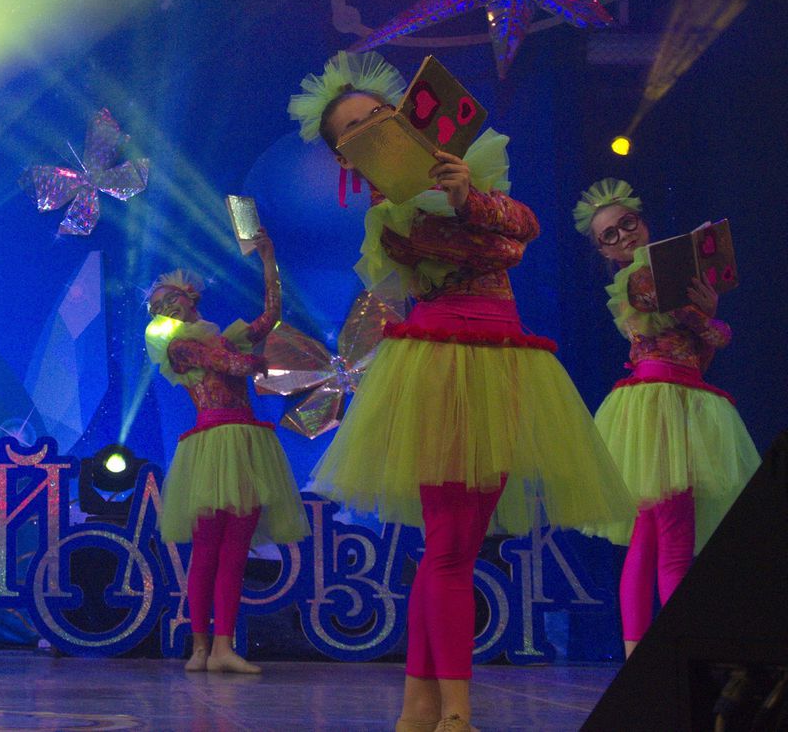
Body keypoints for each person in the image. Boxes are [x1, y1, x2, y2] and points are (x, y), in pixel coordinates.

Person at [288, 52, 632, 732]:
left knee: (456, 548)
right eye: (354, 129)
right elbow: (493, 252)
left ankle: (419, 706)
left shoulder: (465, 169)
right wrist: (474, 208)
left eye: (379, 114)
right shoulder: (390, 216)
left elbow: (526, 228)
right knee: (448, 547)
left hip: (503, 362)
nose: (372, 127)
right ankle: (454, 712)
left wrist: (469, 194)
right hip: (443, 367)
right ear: (347, 159)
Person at [574, 179, 759, 657]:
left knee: (649, 539)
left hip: (677, 396)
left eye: (627, 223)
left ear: (641, 220)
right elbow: (704, 328)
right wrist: (714, 318)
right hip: (661, 403)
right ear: (603, 250)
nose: (623, 236)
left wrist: (710, 321)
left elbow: (698, 355)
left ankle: (641, 654)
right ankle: (675, 657)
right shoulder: (640, 279)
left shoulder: (655, 274)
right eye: (609, 235)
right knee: (671, 539)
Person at [145, 234, 309, 676]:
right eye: (157, 308)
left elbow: (270, 316)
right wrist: (258, 363)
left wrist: (269, 258)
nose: (165, 309)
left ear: (189, 297)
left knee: (236, 552)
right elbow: (230, 364)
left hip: (245, 444)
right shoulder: (180, 346)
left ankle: (223, 647)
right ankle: (199, 646)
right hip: (210, 446)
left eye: (169, 300)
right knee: (206, 551)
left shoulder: (226, 338)